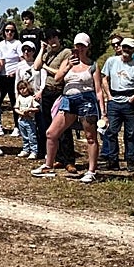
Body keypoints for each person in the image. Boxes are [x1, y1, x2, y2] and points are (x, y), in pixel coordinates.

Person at [31, 32, 105, 183]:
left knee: (90, 137)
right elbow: (58, 78)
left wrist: (103, 112)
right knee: (51, 133)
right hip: (68, 99)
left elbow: (98, 91)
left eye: (83, 46)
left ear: (88, 47)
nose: (80, 48)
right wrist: (69, 66)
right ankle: (48, 165)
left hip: (86, 100)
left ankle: (91, 171)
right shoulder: (69, 61)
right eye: (77, 45)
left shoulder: (93, 66)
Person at [34, 28, 77, 172]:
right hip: (48, 91)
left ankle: (69, 160)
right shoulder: (47, 54)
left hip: (60, 91)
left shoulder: (66, 53)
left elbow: (60, 73)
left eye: (54, 38)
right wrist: (41, 50)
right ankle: (58, 158)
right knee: (49, 127)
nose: (52, 41)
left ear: (59, 38)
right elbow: (36, 66)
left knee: (63, 127)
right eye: (49, 38)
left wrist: (46, 67)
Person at [100, 36, 134, 172]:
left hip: (130, 101)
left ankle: (130, 161)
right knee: (111, 132)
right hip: (114, 100)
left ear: (133, 50)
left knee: (130, 133)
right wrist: (109, 96)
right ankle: (113, 161)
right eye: (124, 47)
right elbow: (104, 78)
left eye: (128, 48)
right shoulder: (111, 61)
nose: (125, 50)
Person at [0, 22, 25, 135]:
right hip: (2, 76)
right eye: (7, 30)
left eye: (12, 31)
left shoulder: (18, 44)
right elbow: (0, 61)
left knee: (14, 102)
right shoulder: (1, 44)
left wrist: (17, 72)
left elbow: (22, 60)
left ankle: (17, 127)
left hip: (14, 77)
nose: (9, 33)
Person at [14, 80, 40, 159]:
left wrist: (30, 110)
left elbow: (37, 108)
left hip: (30, 120)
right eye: (20, 89)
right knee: (24, 136)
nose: (22, 90)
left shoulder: (31, 98)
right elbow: (16, 108)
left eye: (24, 88)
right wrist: (20, 113)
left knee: (32, 136)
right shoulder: (19, 98)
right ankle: (26, 149)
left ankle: (34, 151)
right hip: (21, 120)